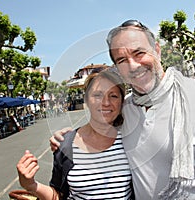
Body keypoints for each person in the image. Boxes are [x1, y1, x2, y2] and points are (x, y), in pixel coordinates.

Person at [50, 20, 195, 199]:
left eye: (139, 53)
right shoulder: (126, 108)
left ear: (157, 49)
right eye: (121, 60)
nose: (133, 65)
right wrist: (68, 138)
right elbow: (99, 131)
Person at [17, 68, 134, 199]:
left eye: (113, 96)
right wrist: (31, 185)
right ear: (87, 99)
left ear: (121, 102)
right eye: (97, 95)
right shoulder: (66, 144)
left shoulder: (130, 139)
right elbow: (58, 195)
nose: (106, 103)